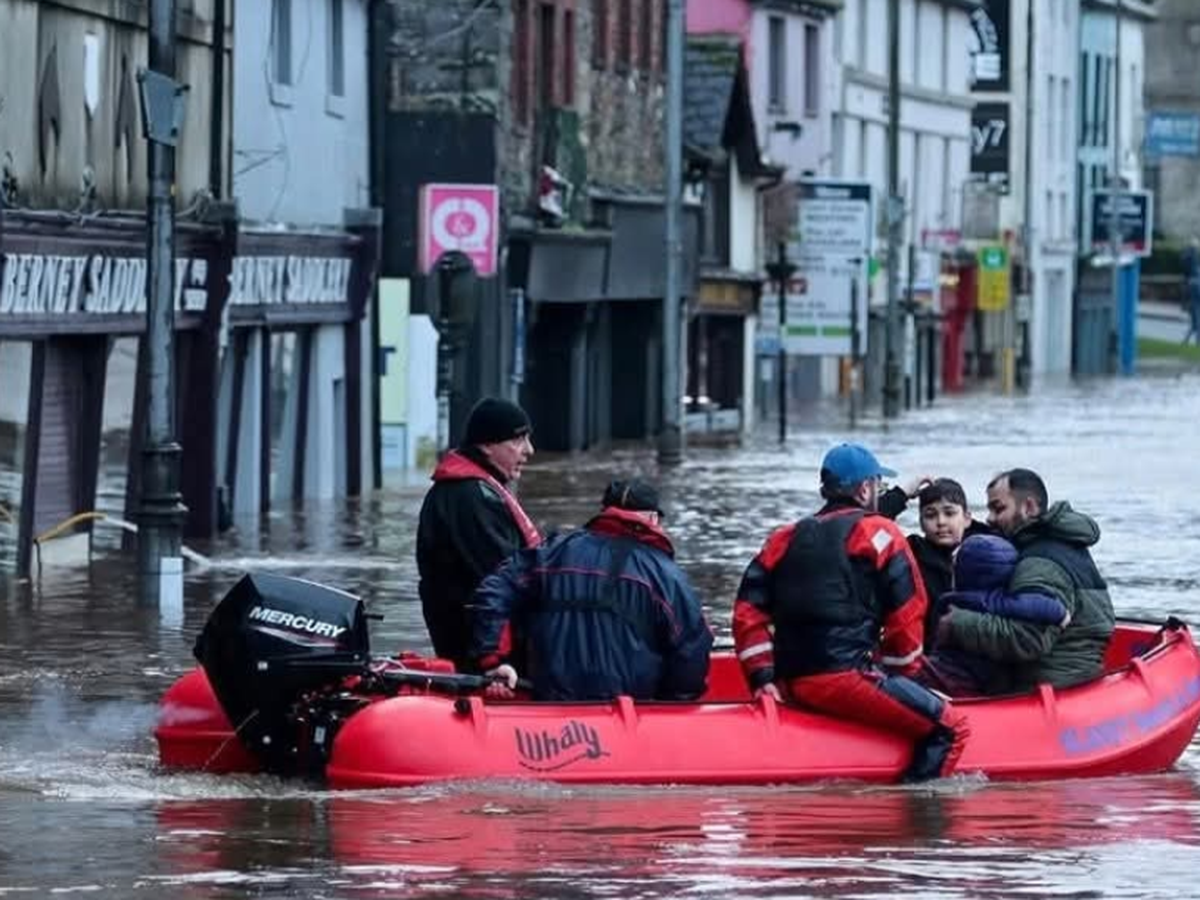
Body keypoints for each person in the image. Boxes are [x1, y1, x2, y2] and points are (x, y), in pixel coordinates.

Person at [732, 442, 970, 782]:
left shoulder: (783, 538)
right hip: (845, 679)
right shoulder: (880, 533)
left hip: (792, 681)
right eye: (878, 485)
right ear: (865, 489)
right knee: (952, 728)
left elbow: (746, 614)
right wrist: (906, 680)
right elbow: (907, 615)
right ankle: (917, 810)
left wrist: (763, 679)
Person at [470, 478, 713, 702]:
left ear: (604, 513)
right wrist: (673, 702)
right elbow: (692, 648)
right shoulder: (666, 576)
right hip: (631, 711)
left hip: (549, 708)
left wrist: (494, 660)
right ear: (653, 519)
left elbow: (493, 592)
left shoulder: (551, 553)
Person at [935, 468, 1115, 693]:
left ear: (1028, 507)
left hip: (1050, 687)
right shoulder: (1063, 543)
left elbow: (1029, 638)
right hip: (1079, 676)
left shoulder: (1040, 562)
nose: (990, 518)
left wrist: (957, 623)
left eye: (998, 509)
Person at [416, 397, 541, 670]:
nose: (529, 450)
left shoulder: (471, 491)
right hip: (484, 654)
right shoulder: (471, 497)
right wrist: (495, 659)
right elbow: (501, 580)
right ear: (486, 445)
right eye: (518, 440)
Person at [921, 533, 1071, 695]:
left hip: (958, 677)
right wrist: (1061, 613)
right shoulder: (1002, 601)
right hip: (991, 681)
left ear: (963, 573)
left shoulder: (962, 600)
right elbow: (1036, 604)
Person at [879, 477, 994, 651]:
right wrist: (900, 495)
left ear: (967, 518)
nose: (941, 522)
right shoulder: (911, 552)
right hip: (925, 654)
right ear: (921, 522)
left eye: (949, 513)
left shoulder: (989, 551)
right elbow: (866, 526)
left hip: (975, 652)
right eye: (930, 515)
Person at [1182, 236, 1200, 345]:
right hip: (1195, 284)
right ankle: (1195, 340)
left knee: (1195, 315)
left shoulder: (1187, 255)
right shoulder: (1194, 255)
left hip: (1192, 285)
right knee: (1196, 315)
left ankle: (1189, 341)